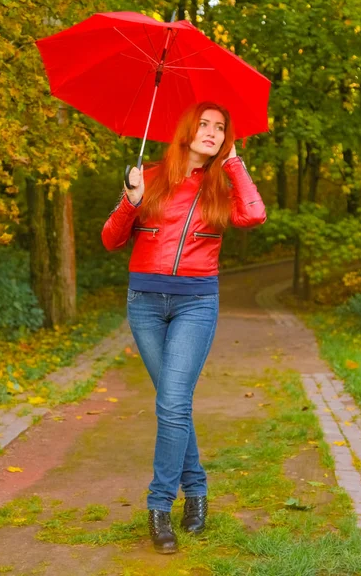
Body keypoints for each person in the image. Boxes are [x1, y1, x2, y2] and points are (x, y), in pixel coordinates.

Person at [101, 101, 266, 554]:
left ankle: (158, 506)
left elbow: (255, 215)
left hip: (196, 302)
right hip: (145, 303)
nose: (212, 132)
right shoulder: (148, 176)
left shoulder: (222, 185)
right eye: (205, 125)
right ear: (187, 130)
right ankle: (196, 491)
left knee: (172, 404)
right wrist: (129, 202)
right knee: (173, 404)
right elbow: (112, 239)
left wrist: (235, 164)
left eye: (221, 128)